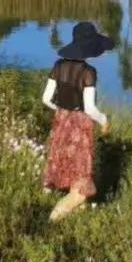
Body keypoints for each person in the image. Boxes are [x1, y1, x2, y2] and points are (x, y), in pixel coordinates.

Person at [41, 20, 114, 221]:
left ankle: (71, 217)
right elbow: (89, 108)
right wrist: (104, 120)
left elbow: (46, 99)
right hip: (80, 127)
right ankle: (53, 219)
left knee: (65, 163)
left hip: (61, 121)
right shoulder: (88, 73)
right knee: (81, 187)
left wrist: (63, 112)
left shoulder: (58, 66)